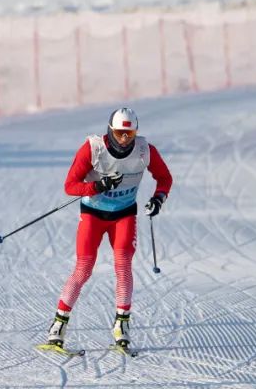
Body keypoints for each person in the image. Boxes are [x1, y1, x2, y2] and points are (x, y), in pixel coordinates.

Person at [44, 106, 173, 353]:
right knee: (83, 269)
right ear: (110, 130)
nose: (124, 139)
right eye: (119, 133)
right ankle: (57, 327)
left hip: (124, 214)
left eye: (130, 134)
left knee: (123, 265)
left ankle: (121, 328)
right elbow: (70, 186)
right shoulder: (93, 149)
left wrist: (158, 199)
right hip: (93, 214)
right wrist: (97, 186)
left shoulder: (145, 150)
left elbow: (165, 178)